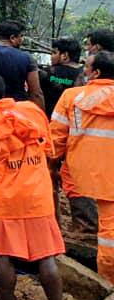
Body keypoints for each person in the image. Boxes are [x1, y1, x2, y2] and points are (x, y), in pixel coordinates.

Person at [0, 72, 65, 300]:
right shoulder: (31, 110)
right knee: (46, 256)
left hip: (5, 199)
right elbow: (48, 148)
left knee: (6, 255)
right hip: (37, 195)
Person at [48, 50, 114, 282]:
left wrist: (51, 165)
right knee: (109, 232)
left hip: (80, 174)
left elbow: (55, 137)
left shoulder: (72, 97)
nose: (83, 71)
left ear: (95, 72)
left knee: (101, 233)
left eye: (86, 68)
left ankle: (106, 281)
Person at [43, 38, 85, 116]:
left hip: (52, 118)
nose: (51, 56)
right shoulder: (85, 73)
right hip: (76, 119)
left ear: (65, 56)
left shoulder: (48, 72)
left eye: (54, 53)